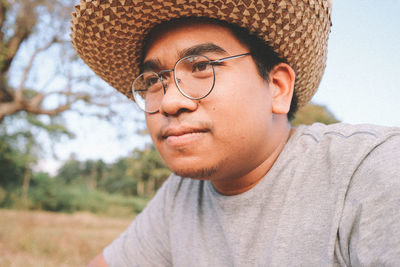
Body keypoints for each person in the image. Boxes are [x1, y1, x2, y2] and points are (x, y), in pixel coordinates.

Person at [71, 0, 400, 266]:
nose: (169, 102)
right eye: (154, 81)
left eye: (201, 67)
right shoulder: (182, 195)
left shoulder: (372, 171)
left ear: (278, 87)